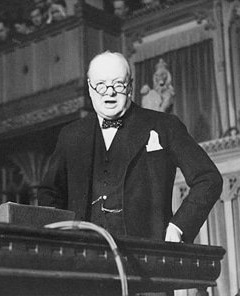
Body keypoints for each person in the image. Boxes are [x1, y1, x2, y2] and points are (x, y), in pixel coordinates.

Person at [38, 51, 222, 244]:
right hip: (84, 255)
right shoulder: (71, 135)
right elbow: (49, 192)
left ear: (130, 86)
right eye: (101, 85)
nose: (110, 92)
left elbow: (208, 178)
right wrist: (61, 238)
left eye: (118, 84)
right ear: (90, 89)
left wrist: (179, 227)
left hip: (148, 254)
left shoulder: (164, 125)